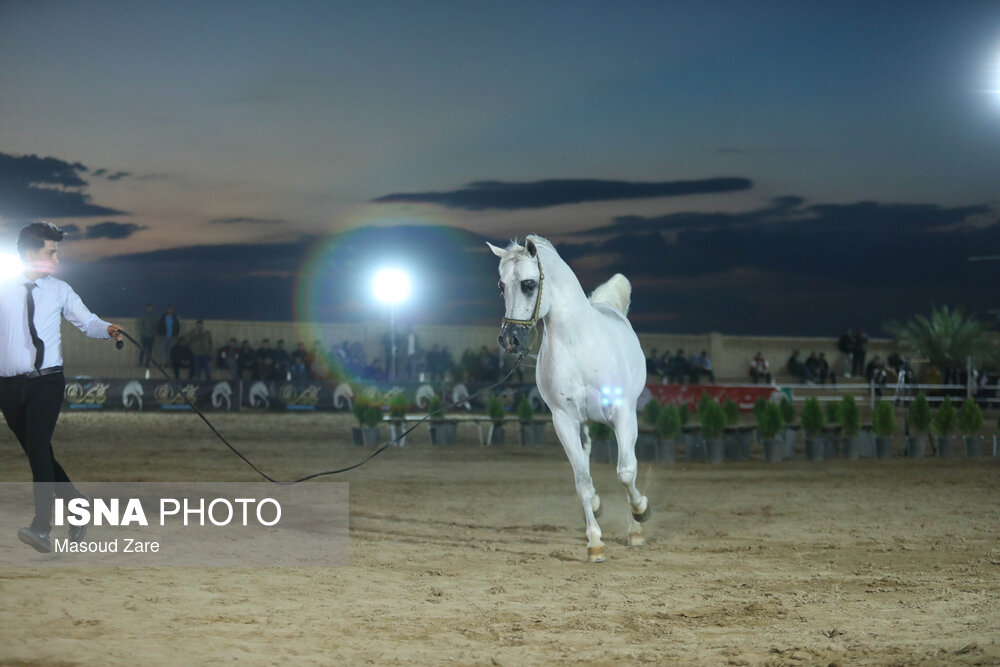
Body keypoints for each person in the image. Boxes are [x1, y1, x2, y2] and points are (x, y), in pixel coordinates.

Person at [0, 222, 123, 553]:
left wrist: (107, 328)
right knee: (40, 454)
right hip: (8, 386)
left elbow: (88, 321)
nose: (55, 259)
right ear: (29, 253)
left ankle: (42, 527)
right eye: (49, 252)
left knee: (39, 448)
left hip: (47, 383)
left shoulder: (60, 290)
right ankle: (78, 506)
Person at [138, 302, 157, 367]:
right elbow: (141, 326)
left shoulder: (154, 317)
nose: (149, 309)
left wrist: (152, 333)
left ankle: (147, 363)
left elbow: (155, 326)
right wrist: (147, 333)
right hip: (144, 336)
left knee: (150, 350)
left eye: (150, 308)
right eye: (148, 308)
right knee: (143, 349)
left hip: (151, 336)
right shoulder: (143, 316)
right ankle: (140, 362)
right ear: (146, 309)